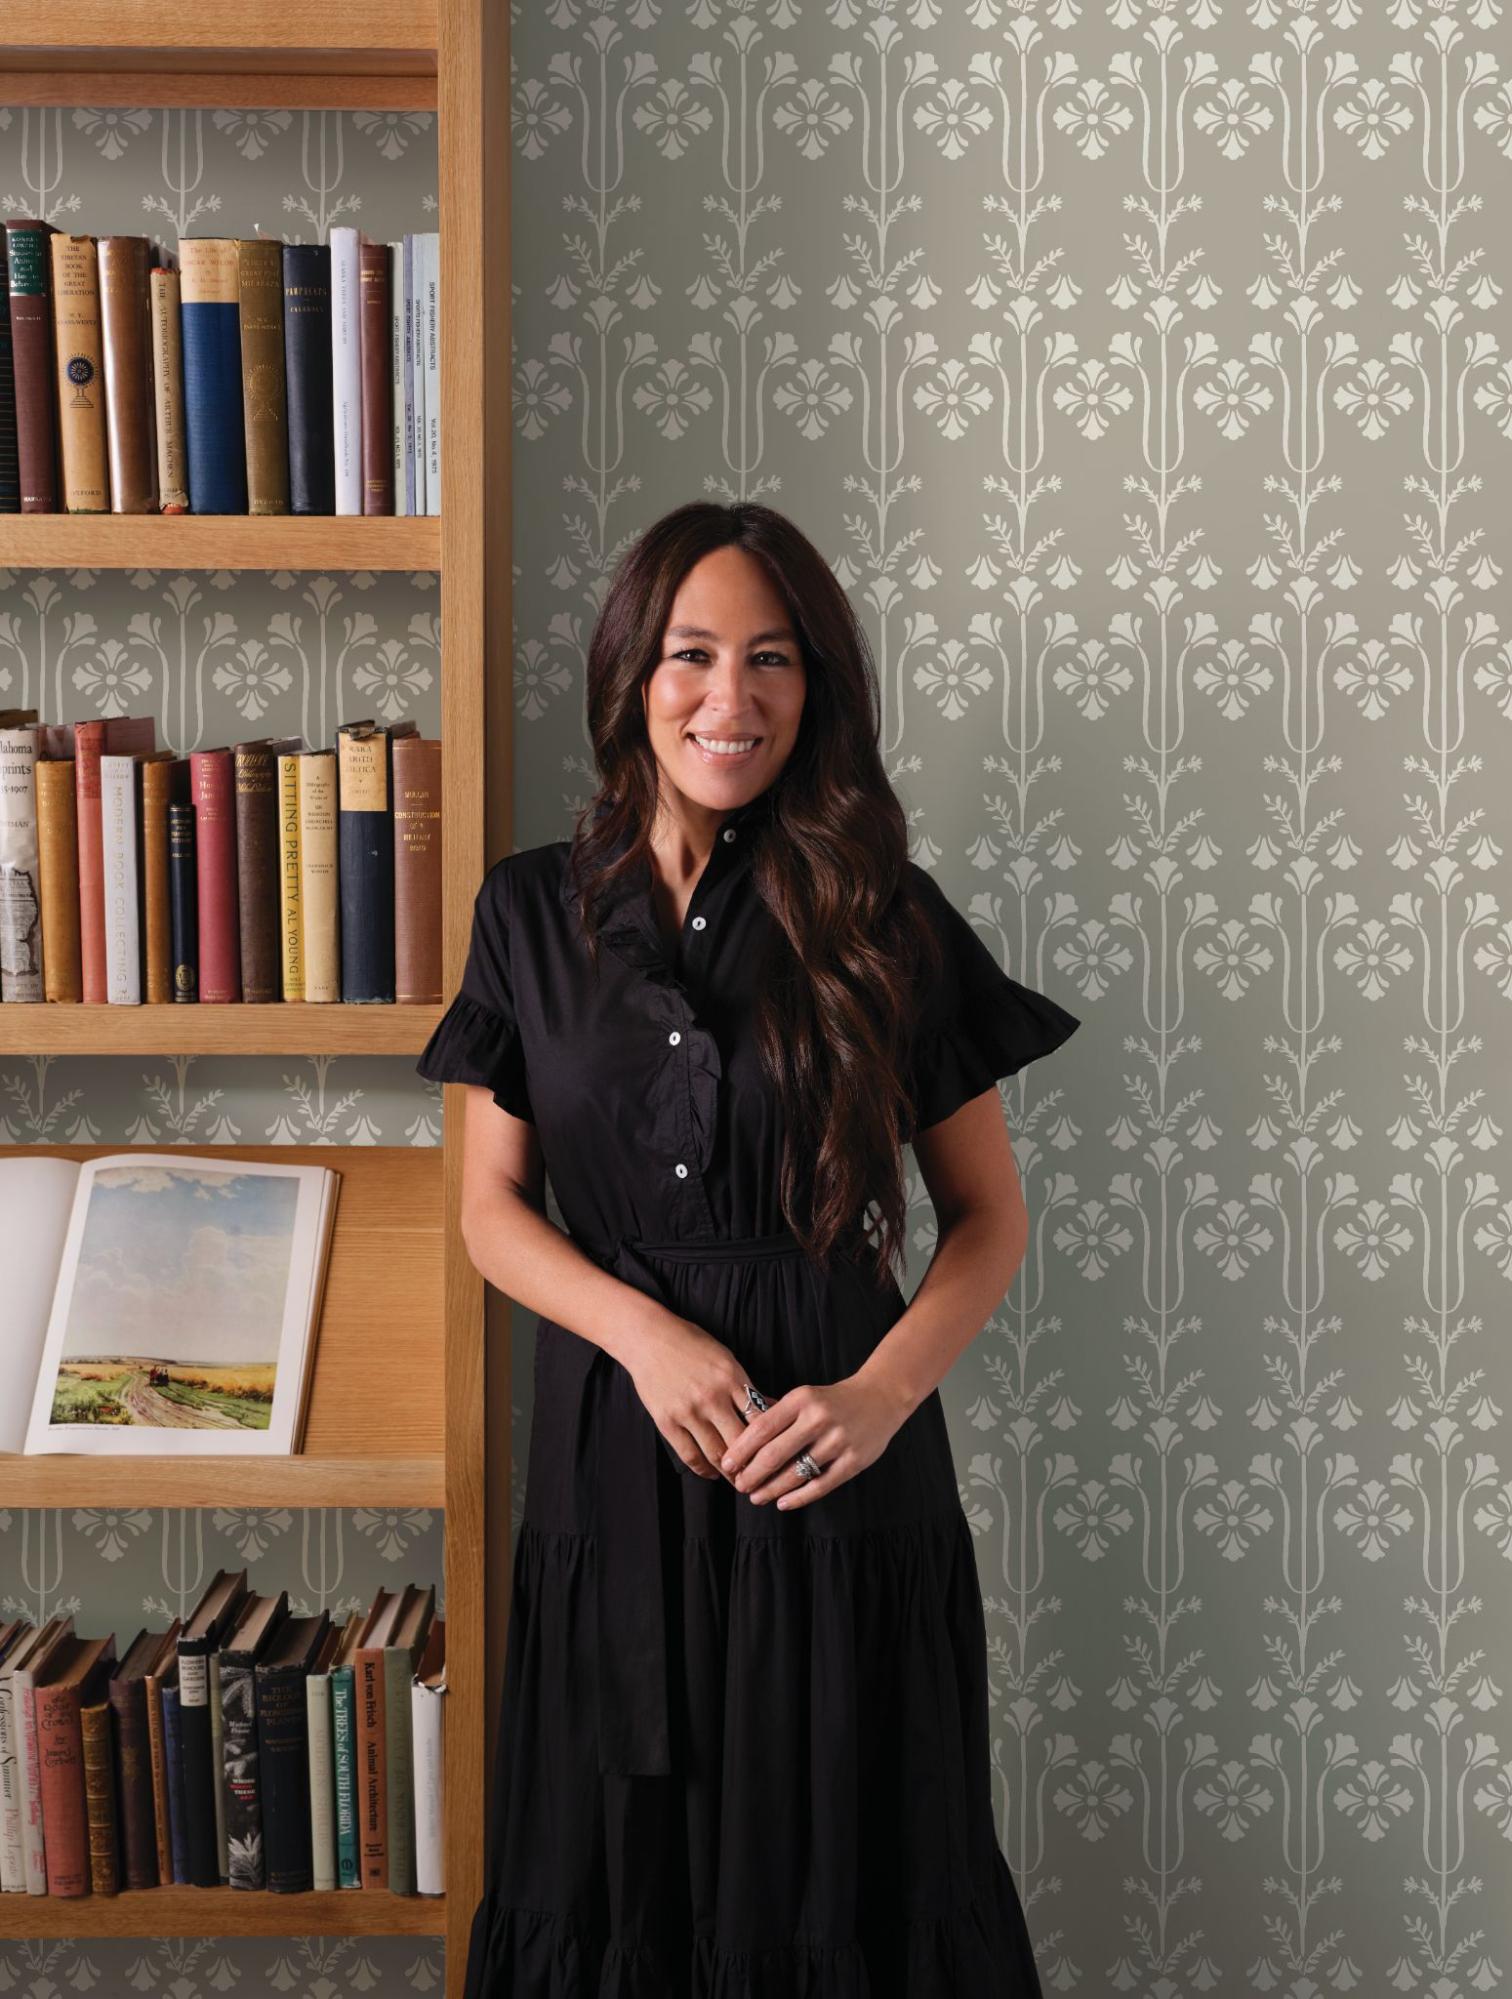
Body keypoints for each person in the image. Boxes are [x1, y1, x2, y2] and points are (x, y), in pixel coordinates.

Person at [415, 500, 1080, 1997]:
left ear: (817, 686)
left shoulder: (882, 914)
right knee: (608, 1878)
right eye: (693, 654)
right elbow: (490, 1212)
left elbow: (988, 1216)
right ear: (630, 677)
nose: (733, 699)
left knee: (846, 1868)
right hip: (612, 1450)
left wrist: (880, 1396)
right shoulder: (528, 910)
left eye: (772, 659)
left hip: (835, 1470)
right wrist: (645, 1335)